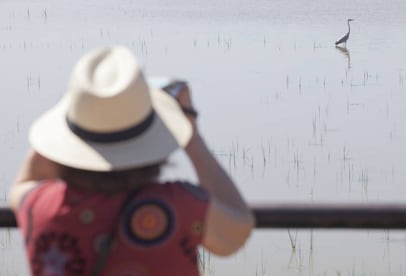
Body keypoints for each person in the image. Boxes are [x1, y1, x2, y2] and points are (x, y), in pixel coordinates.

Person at [9, 46, 255, 275]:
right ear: (151, 139)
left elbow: (25, 181)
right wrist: (191, 135)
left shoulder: (42, 207)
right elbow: (237, 230)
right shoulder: (178, 206)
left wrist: (75, 114)